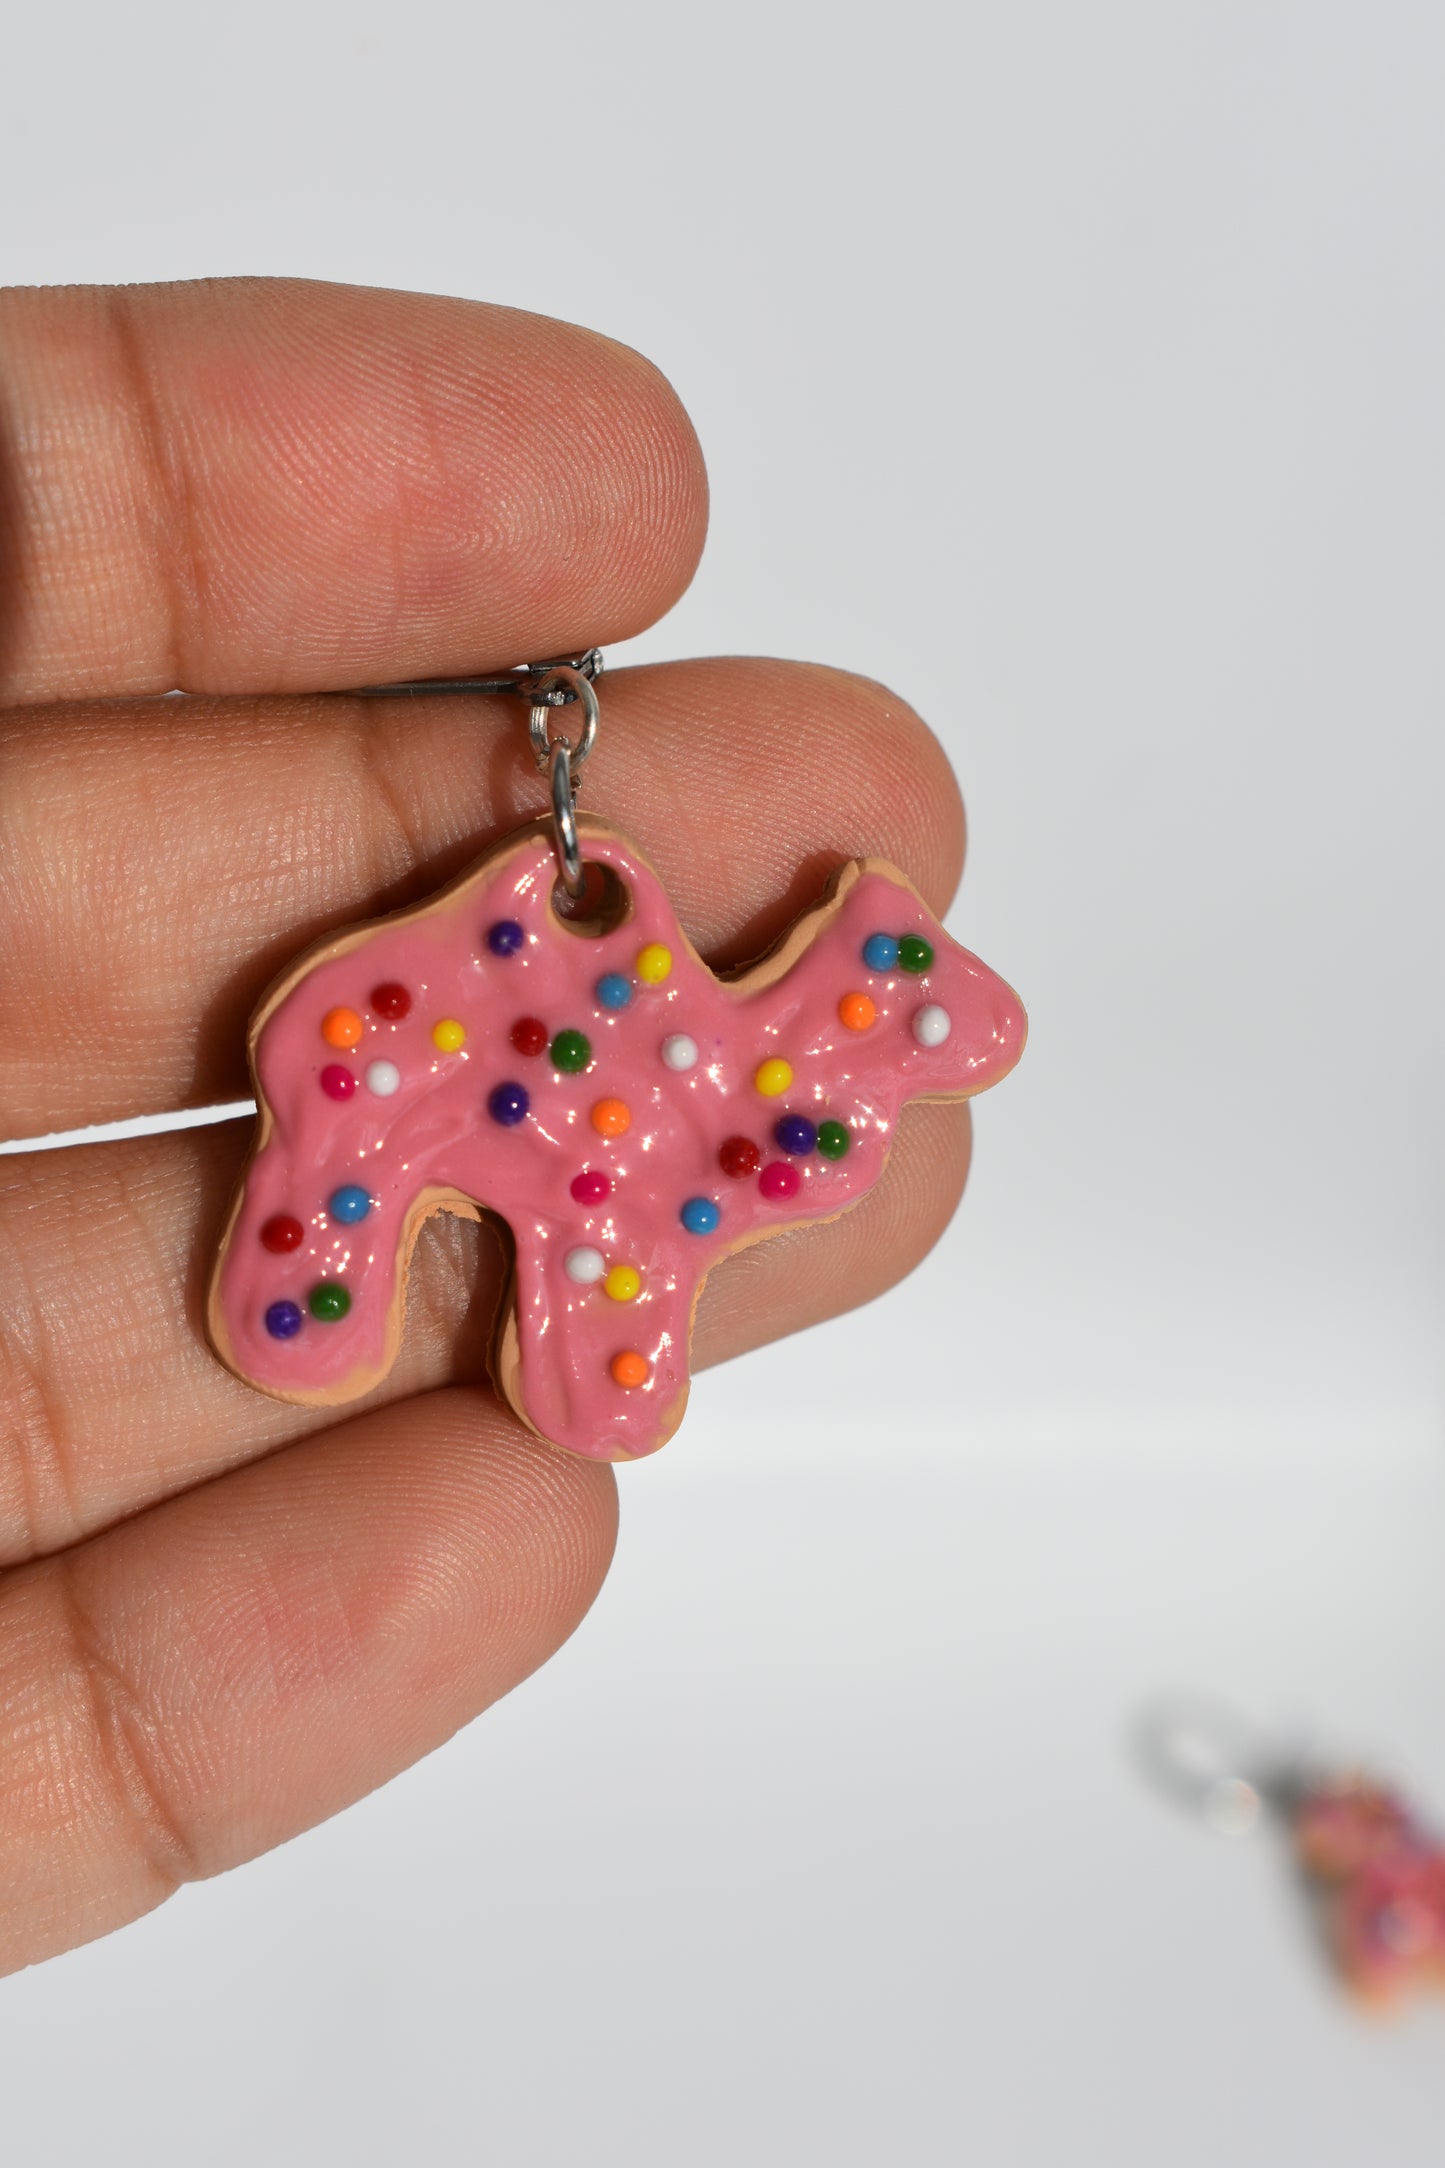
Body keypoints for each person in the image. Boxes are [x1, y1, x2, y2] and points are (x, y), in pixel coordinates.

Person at [0, 277, 968, 1973]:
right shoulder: (626, 1078)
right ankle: (326, 1286)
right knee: (381, 1240)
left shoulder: (698, 1078)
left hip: (466, 1037)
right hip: (407, 1064)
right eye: (909, 1012)